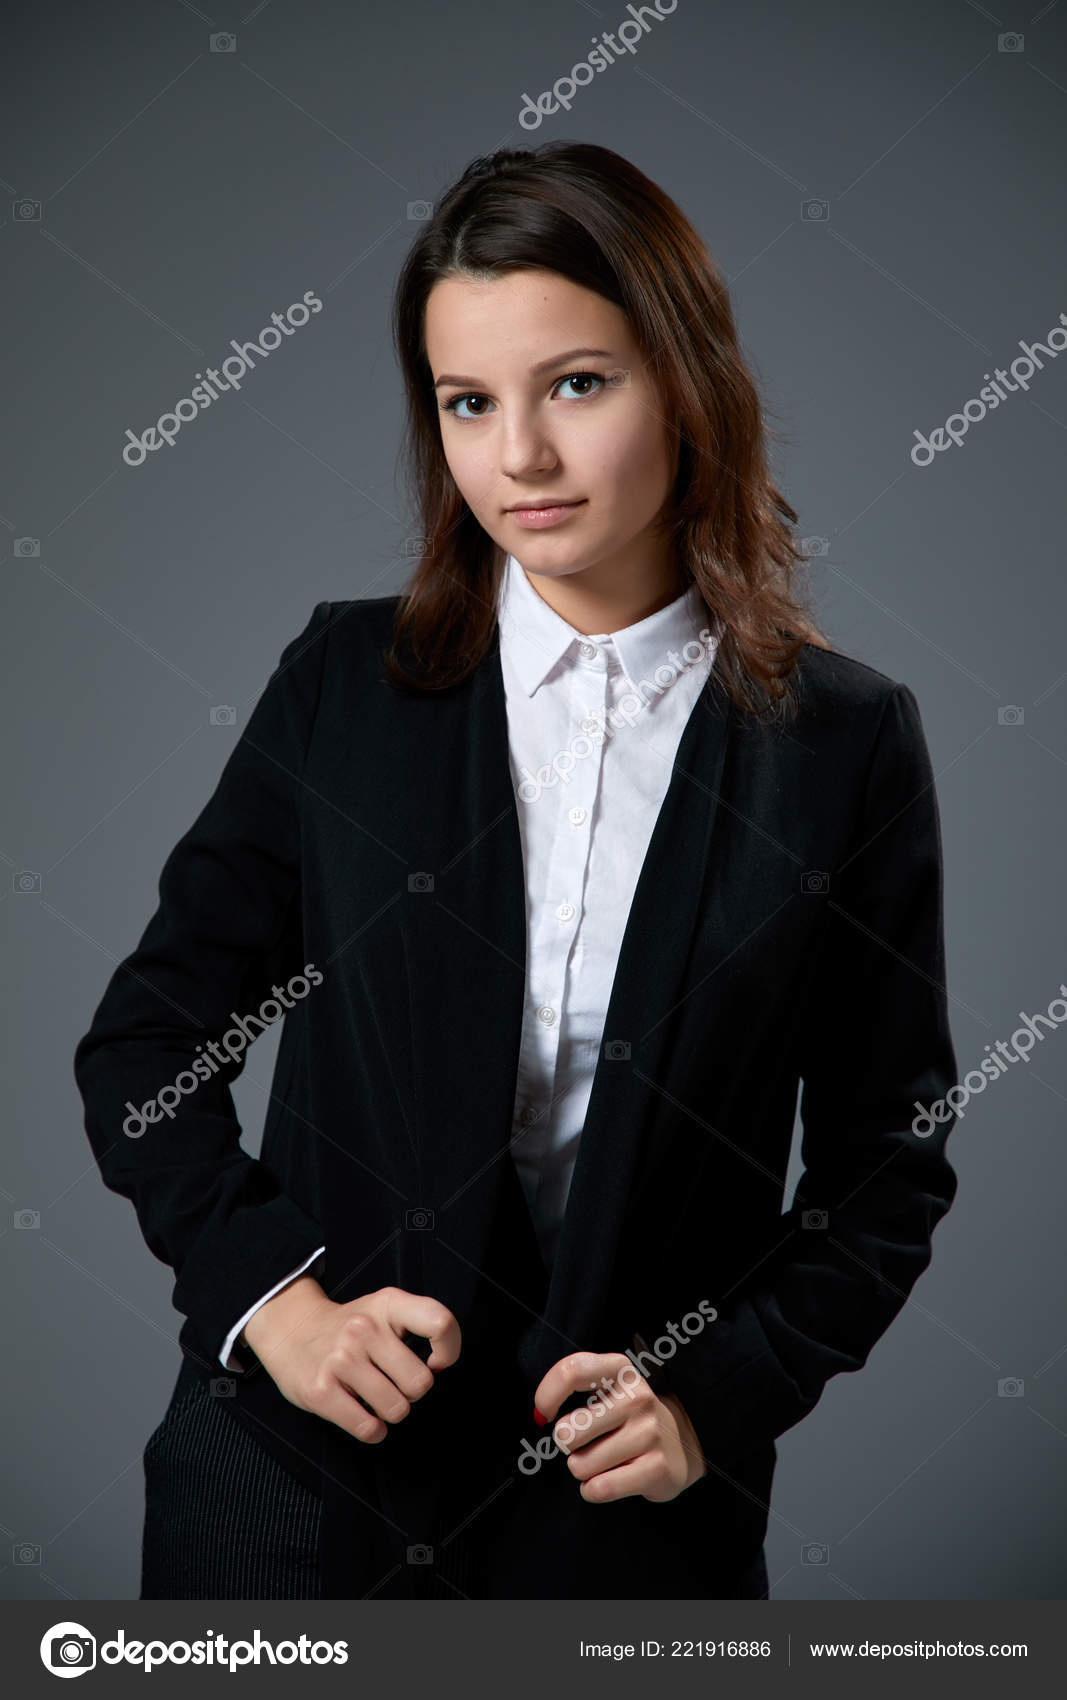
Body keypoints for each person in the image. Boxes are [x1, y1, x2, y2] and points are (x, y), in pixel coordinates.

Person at [73, 141, 959, 1602]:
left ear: (686, 380)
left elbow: (888, 1161)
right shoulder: (348, 684)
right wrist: (276, 1306)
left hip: (625, 1539)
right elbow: (146, 1043)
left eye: (578, 385)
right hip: (293, 1502)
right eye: (469, 404)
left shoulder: (843, 743)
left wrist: (716, 1394)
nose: (520, 458)